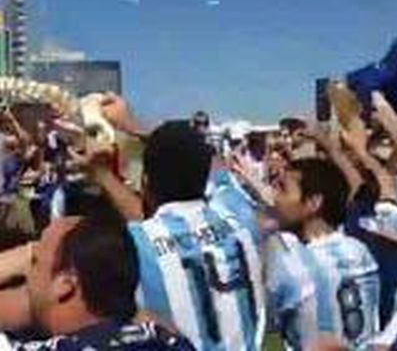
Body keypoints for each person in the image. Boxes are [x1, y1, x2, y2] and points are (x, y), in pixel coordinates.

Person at [91, 96, 266, 350]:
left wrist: (102, 174)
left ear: (146, 183)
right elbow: (208, 162)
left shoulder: (132, 246)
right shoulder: (242, 221)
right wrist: (134, 125)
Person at [0, 216, 194, 350]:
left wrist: (17, 257)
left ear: (65, 284)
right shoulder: (166, 336)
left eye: (35, 263)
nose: (28, 276)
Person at [266, 158, 381, 349]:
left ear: (313, 203)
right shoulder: (360, 250)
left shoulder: (296, 264)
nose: (274, 197)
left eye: (282, 189)